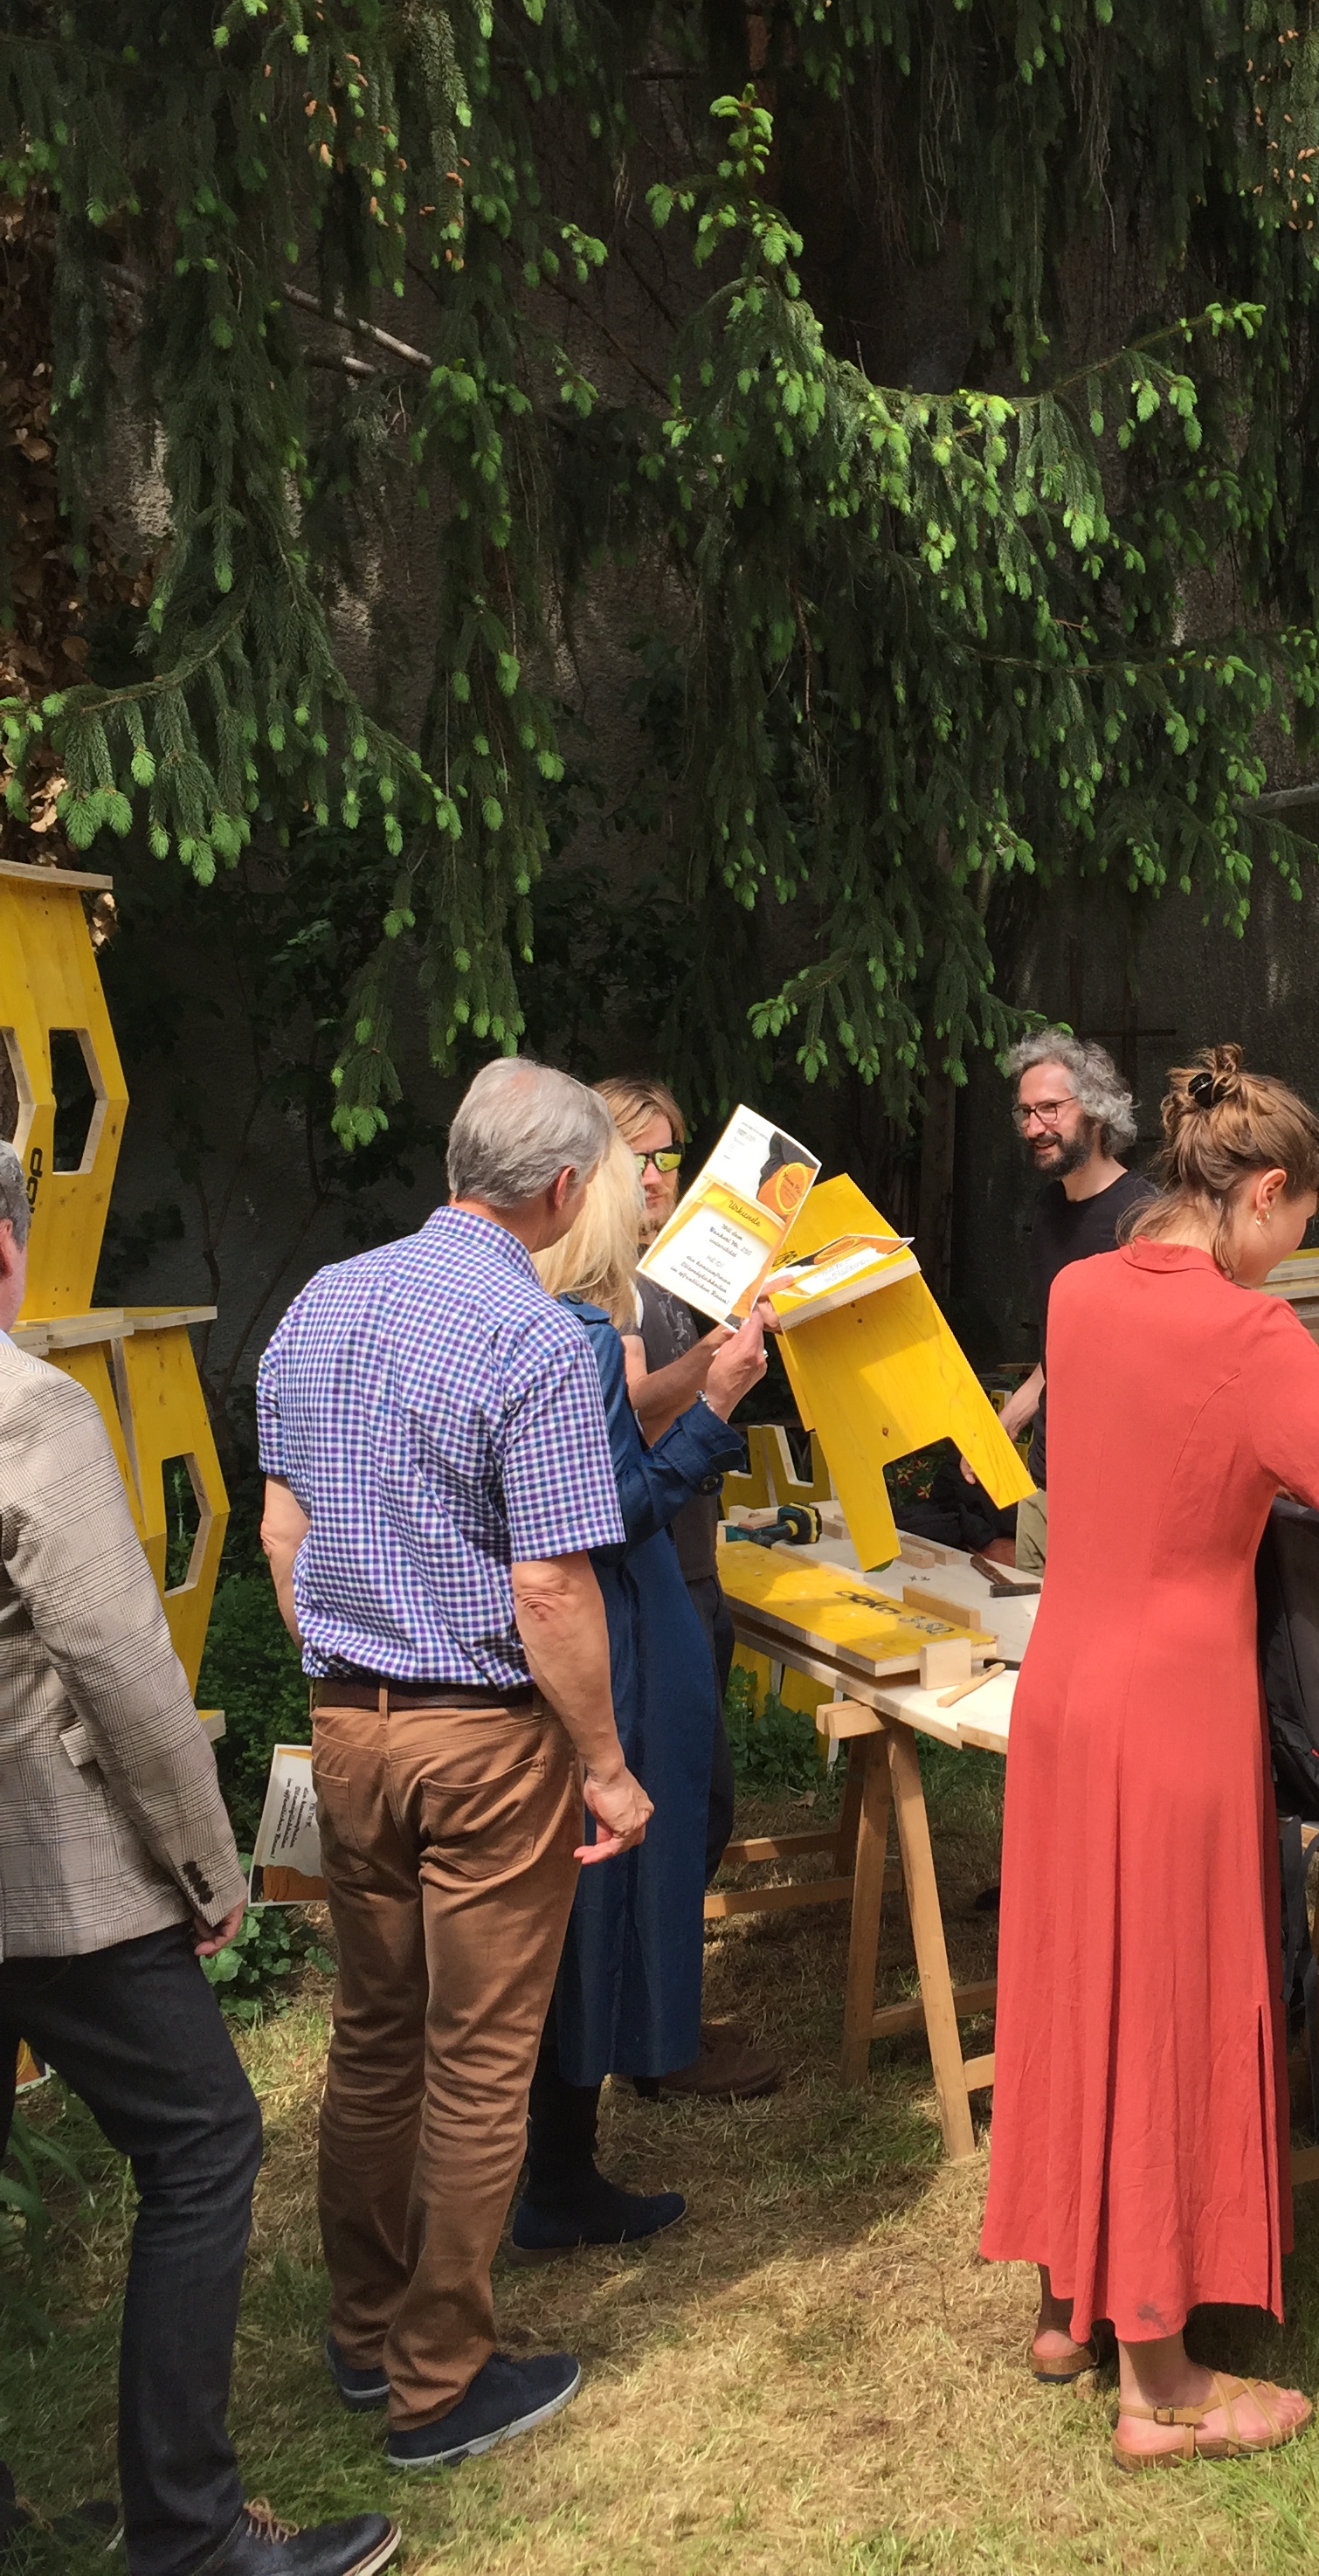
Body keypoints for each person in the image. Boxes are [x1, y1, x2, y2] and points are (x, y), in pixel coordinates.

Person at [980, 1047, 1319, 2470]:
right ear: (1254, 1191)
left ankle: (1070, 2302)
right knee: (1164, 2003)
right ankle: (1162, 2380)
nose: (1287, 1256)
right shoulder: (1250, 1339)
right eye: (1293, 1226)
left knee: (1076, 1978)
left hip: (1061, 1685)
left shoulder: (1076, 1290)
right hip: (1174, 1707)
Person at [0, 1144, 397, 2576]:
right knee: (206, 2138)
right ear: (4, 1252)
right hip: (42, 1866)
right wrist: (207, 1860)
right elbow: (116, 1656)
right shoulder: (26, 1405)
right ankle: (187, 2528)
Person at [257, 1059, 651, 2471]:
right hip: (479, 1738)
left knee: (373, 2038)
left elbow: (280, 1536)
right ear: (559, 1191)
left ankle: (364, 2334)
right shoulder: (536, 1336)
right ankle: (437, 2375)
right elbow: (551, 1590)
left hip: (346, 1724)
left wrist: (350, 1664)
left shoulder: (322, 1297)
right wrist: (605, 1764)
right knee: (478, 2060)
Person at [516, 1139, 770, 2249]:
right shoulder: (568, 1334)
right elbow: (609, 1510)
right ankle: (556, 2176)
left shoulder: (479, 1317)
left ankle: (555, 2166)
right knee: (597, 1900)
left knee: (573, 1911)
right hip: (610, 1626)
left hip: (589, 1629)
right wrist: (718, 1409)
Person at [592, 1074, 782, 2103]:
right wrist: (718, 1363)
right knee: (674, 1808)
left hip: (692, 1556)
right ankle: (656, 2041)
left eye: (674, 1153)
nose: (662, 1174)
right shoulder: (592, 1277)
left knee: (699, 1806)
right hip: (642, 1565)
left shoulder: (670, 1267)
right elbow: (631, 1426)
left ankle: (651, 2021)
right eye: (643, 1155)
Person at [991, 1034, 1155, 1570]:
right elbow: (1059, 1349)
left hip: (1118, 1498)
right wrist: (1013, 1417)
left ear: (1099, 1110)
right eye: (1026, 1112)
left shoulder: (1147, 1219)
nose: (1034, 1127)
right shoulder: (1048, 1209)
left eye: (1050, 1109)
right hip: (1047, 1483)